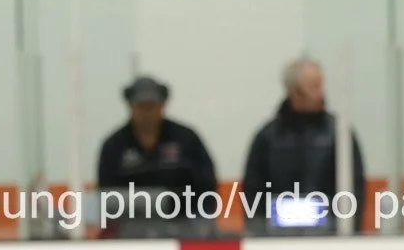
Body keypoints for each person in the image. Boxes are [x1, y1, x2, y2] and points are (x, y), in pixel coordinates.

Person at [240, 55, 367, 236]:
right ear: (295, 92)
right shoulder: (267, 138)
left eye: (321, 85)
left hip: (330, 237)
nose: (321, 93)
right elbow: (253, 192)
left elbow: (355, 188)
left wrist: (348, 230)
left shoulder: (339, 134)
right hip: (276, 239)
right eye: (314, 86)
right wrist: (259, 233)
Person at [96, 74, 219, 238]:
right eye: (141, 107)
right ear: (130, 107)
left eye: (152, 106)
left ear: (162, 106)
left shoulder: (186, 139)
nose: (147, 113)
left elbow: (207, 185)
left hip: (185, 227)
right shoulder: (114, 146)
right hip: (130, 231)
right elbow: (107, 196)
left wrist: (200, 221)